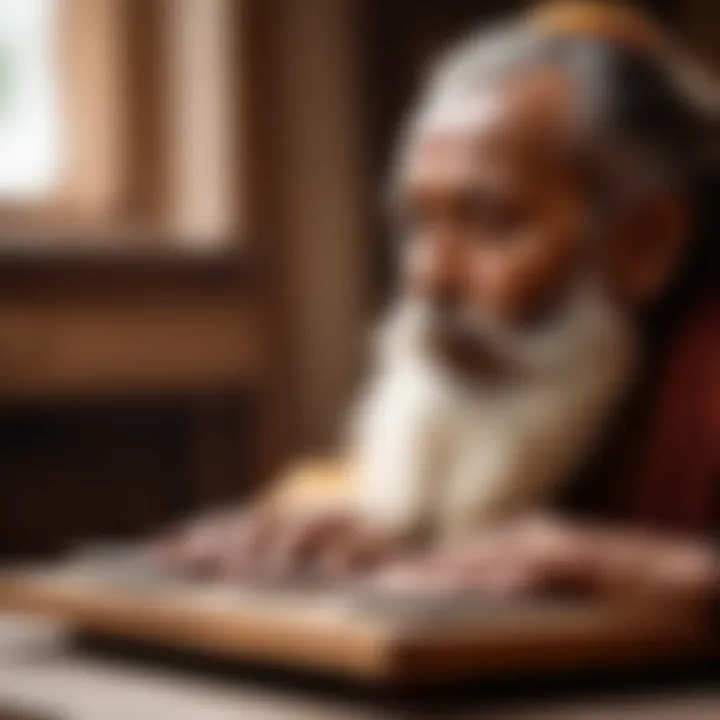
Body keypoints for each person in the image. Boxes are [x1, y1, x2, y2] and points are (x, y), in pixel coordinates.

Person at [159, 2, 719, 611]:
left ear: (646, 244)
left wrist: (687, 574)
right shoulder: (506, 379)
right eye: (418, 226)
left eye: (491, 223)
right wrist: (382, 533)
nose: (430, 281)